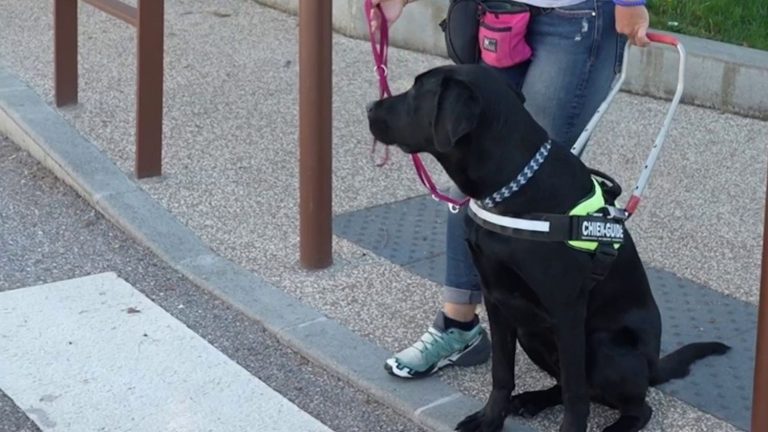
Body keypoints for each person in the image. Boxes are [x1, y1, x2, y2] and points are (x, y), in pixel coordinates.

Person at [369, 0, 652, 379]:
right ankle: (459, 326)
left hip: (576, 19)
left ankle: (563, 332)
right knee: (472, 167)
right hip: (500, 11)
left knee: (534, 186)